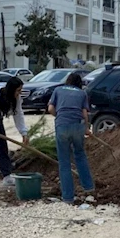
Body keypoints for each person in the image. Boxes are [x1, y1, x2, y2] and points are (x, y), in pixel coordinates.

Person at [48, 72, 95, 203]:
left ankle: (68, 197)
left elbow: (51, 108)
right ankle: (89, 188)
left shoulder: (58, 90)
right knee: (80, 155)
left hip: (62, 126)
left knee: (64, 162)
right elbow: (84, 113)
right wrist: (86, 128)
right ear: (79, 83)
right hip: (78, 126)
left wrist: (60, 116)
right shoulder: (82, 93)